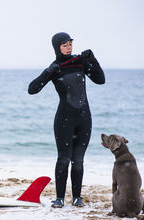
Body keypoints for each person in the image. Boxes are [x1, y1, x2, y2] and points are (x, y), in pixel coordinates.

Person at [28, 32, 105, 208]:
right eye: (65, 45)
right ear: (57, 47)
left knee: (78, 160)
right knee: (63, 159)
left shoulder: (81, 63)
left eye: (70, 44)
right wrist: (49, 71)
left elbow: (101, 80)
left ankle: (77, 197)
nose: (69, 47)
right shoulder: (56, 67)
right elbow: (32, 89)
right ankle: (59, 198)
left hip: (84, 117)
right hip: (64, 119)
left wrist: (93, 60)